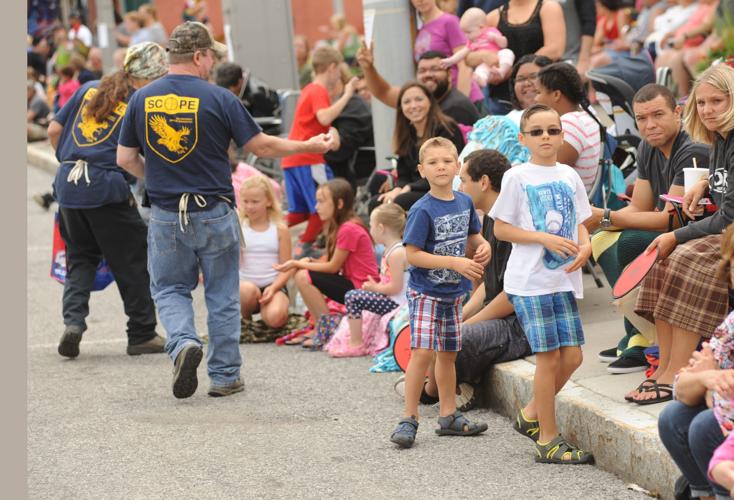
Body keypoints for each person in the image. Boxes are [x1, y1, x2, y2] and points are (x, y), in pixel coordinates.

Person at [117, 22, 335, 399]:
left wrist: (154, 180)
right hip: (214, 210)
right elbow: (262, 147)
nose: (213, 62)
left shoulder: (142, 99)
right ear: (199, 56)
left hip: (168, 213)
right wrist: (310, 144)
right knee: (221, 293)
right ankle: (225, 375)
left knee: (169, 289)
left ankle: (183, 342)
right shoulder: (219, 98)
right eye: (211, 55)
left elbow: (125, 159)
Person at [47, 42, 169, 359]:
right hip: (105, 186)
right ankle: (141, 333)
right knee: (132, 260)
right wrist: (150, 179)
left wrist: (68, 159)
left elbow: (54, 128)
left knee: (80, 257)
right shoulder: (140, 100)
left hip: (69, 184)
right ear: (150, 77)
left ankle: (73, 324)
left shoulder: (89, 88)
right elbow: (131, 158)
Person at [490, 103, 594, 464]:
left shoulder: (568, 175)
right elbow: (501, 228)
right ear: (523, 139)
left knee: (574, 356)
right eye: (537, 132)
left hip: (562, 280)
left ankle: (531, 413)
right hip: (530, 281)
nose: (546, 137)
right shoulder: (517, 176)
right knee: (548, 359)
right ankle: (548, 440)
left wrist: (586, 244)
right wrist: (542, 238)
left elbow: (581, 220)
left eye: (553, 130)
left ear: (562, 134)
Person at [585, 84, 710, 377]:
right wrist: (597, 224)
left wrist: (604, 215)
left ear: (677, 112)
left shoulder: (692, 147)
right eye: (641, 118)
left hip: (696, 232)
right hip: (675, 229)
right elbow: (639, 206)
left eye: (658, 115)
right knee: (602, 238)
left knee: (630, 242)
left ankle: (644, 338)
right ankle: (638, 332)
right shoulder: (647, 145)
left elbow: (674, 220)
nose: (650, 125)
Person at [630, 63, 734, 405]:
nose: (707, 110)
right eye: (701, 103)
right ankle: (662, 366)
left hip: (729, 232)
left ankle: (678, 372)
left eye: (717, 101)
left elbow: (729, 216)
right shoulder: (719, 139)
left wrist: (678, 235)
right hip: (725, 230)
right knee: (664, 257)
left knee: (685, 256)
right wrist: (704, 181)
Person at [390, 137, 490, 449]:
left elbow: (473, 235)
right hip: (426, 293)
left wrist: (483, 245)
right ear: (422, 170)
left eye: (447, 161)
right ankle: (409, 417)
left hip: (453, 293)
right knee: (422, 353)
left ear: (458, 166)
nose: (441, 167)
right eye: (433, 162)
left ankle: (449, 415)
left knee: (448, 355)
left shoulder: (464, 202)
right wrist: (453, 262)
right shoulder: (422, 209)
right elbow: (413, 254)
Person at [418, 149, 533, 410]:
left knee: (451, 339)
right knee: (441, 325)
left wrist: (465, 323)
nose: (459, 187)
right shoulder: (490, 221)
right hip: (498, 314)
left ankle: (430, 391)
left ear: (483, 182)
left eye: (463, 180)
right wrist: (462, 315)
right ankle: (441, 383)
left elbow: (513, 297)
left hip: (519, 324)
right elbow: (489, 287)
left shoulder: (512, 223)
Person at [657, 222, 734, 500]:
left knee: (704, 426)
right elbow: (683, 387)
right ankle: (707, 495)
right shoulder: (732, 324)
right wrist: (706, 378)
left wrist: (715, 386)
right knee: (673, 417)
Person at [274, 179, 378, 347]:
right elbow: (331, 263)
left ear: (339, 203)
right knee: (303, 273)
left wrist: (299, 263)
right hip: (354, 284)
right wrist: (309, 261)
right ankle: (319, 326)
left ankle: (324, 328)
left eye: (322, 201)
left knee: (303, 275)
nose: (316, 207)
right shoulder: (340, 226)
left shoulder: (348, 228)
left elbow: (332, 268)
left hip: (362, 288)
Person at [281, 45, 357, 253]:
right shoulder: (318, 90)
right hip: (309, 159)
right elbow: (324, 116)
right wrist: (348, 94)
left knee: (300, 212)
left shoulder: (308, 89)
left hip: (293, 159)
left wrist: (331, 131)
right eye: (339, 69)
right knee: (326, 204)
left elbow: (315, 122)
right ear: (332, 67)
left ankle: (266, 230)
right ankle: (304, 248)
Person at [370, 81, 465, 212]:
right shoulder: (407, 132)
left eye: (419, 99)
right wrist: (398, 189)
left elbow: (444, 168)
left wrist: (408, 188)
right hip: (415, 188)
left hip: (440, 187)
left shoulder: (447, 128)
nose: (413, 106)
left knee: (399, 202)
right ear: (401, 107)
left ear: (430, 101)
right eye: (407, 102)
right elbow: (403, 174)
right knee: (376, 202)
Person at [469, 0, 566, 113]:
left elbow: (554, 50)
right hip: (503, 98)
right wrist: (484, 56)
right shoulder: (493, 16)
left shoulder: (548, 7)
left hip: (542, 92)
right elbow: (468, 55)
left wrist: (512, 71)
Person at [342, 203, 409, 357]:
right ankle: (357, 340)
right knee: (356, 296)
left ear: (381, 228)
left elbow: (396, 287)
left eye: (371, 226)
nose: (370, 230)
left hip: (398, 302)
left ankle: (356, 343)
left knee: (352, 297)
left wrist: (374, 288)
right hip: (392, 298)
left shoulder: (397, 253)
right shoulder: (391, 249)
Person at [356, 45, 480, 125]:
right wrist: (368, 68)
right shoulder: (420, 99)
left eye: (435, 69)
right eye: (422, 71)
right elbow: (384, 92)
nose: (428, 74)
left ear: (449, 75)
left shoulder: (456, 107)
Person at [533, 62, 604, 194]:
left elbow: (545, 175)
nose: (535, 99)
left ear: (556, 95)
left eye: (538, 92)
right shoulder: (588, 114)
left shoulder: (569, 125)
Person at [238, 176, 291, 330]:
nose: (249, 206)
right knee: (247, 290)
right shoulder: (240, 226)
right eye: (246, 201)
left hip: (273, 284)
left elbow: (287, 267)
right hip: (246, 287)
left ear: (268, 201)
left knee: (276, 319)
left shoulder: (280, 228)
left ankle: (269, 309)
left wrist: (274, 288)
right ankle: (246, 319)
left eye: (255, 202)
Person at [411, 0, 485, 109]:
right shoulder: (420, 29)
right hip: (440, 102)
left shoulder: (449, 21)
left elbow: (465, 65)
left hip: (465, 100)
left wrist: (461, 103)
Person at [323, 64, 374, 186]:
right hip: (339, 172)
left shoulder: (355, 107)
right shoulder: (338, 105)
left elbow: (340, 150)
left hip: (353, 175)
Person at [439, 7, 516, 86]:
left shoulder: (491, 31)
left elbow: (504, 44)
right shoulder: (472, 41)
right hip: (485, 63)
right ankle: (482, 80)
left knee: (507, 53)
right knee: (481, 70)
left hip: (498, 56)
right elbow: (462, 53)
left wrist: (496, 38)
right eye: (464, 33)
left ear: (481, 27)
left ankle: (502, 71)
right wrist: (450, 60)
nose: (466, 36)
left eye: (468, 32)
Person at [505, 53, 553, 126]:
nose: (527, 83)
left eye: (534, 77)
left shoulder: (566, 114)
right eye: (520, 79)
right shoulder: (506, 122)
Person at [27, 78, 50, 142]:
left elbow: (28, 118)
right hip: (35, 126)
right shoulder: (29, 100)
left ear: (32, 90)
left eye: (27, 90)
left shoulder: (37, 100)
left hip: (43, 129)